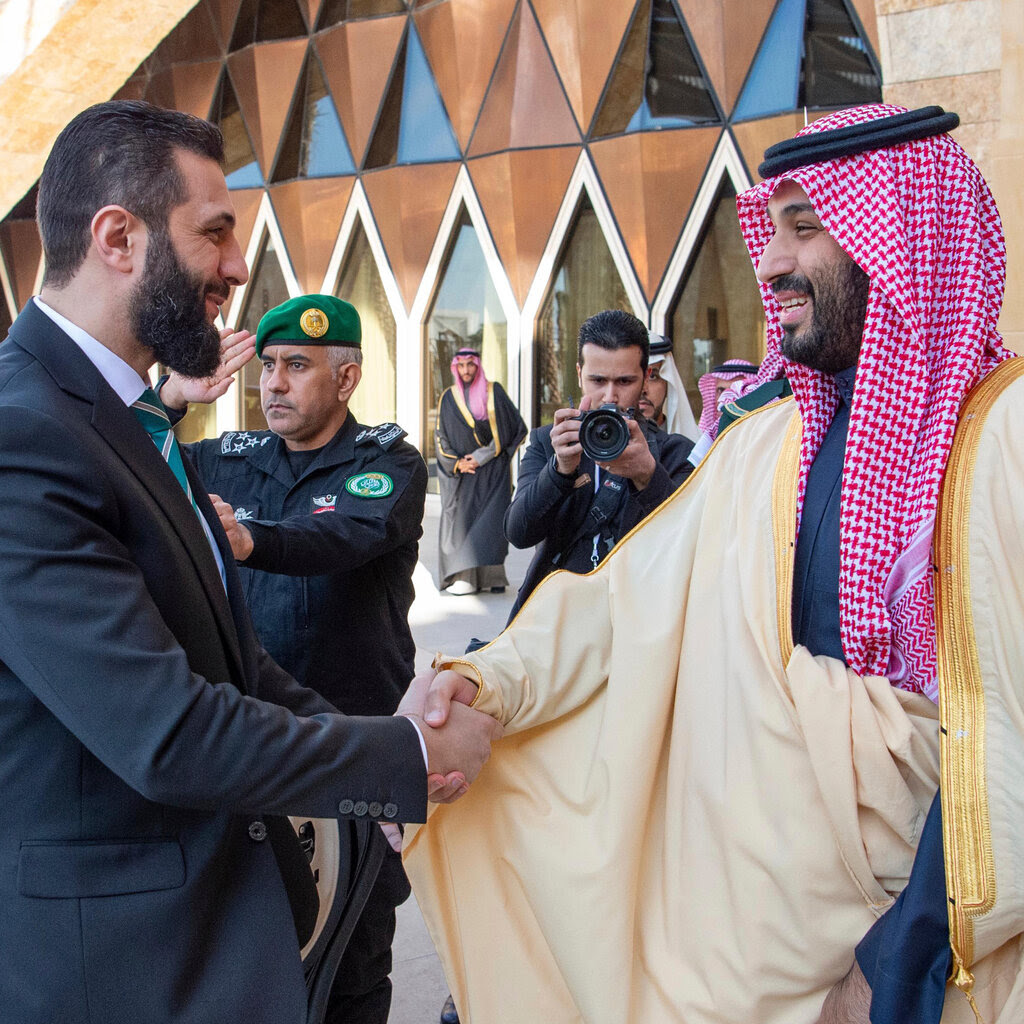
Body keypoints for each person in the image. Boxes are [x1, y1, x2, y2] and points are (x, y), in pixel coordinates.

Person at [402, 105, 1024, 1023]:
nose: (770, 264)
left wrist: (895, 965)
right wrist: (486, 683)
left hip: (924, 942)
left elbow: (1006, 740)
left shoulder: (1002, 440)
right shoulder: (766, 444)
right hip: (740, 927)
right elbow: (620, 603)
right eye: (771, 231)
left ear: (904, 238)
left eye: (805, 227)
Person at [0, 100, 500, 1024]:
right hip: (115, 975)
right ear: (118, 238)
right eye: (215, 234)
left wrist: (384, 760)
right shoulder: (24, 435)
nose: (237, 266)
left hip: (216, 940)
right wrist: (407, 751)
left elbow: (235, 661)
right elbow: (170, 733)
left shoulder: (120, 422)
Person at [165, 293, 427, 1024]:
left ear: (346, 380)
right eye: (268, 366)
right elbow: (122, 458)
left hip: (351, 748)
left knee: (353, 957)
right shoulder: (229, 457)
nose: (272, 383)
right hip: (251, 749)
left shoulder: (387, 461)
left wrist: (249, 540)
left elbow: (343, 539)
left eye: (297, 366)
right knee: (251, 951)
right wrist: (169, 398)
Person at [504, 309, 694, 619]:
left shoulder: (674, 453)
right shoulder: (548, 442)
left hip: (639, 622)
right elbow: (518, 533)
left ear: (646, 379)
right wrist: (559, 469)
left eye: (624, 381)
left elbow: (690, 546)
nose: (611, 396)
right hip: (557, 620)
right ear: (579, 374)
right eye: (597, 380)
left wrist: (648, 475)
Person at [435, 348, 526, 594]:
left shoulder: (493, 391)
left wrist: (479, 458)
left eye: (470, 365)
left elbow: (514, 428)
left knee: (490, 526)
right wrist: (458, 463)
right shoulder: (448, 397)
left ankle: (493, 578)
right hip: (463, 472)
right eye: (461, 365)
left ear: (478, 366)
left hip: (492, 471)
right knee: (460, 524)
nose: (466, 370)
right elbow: (441, 436)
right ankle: (465, 578)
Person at [638, 332, 699, 440]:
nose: (643, 389)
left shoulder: (695, 445)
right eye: (631, 379)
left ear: (668, 384)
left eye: (652, 377)